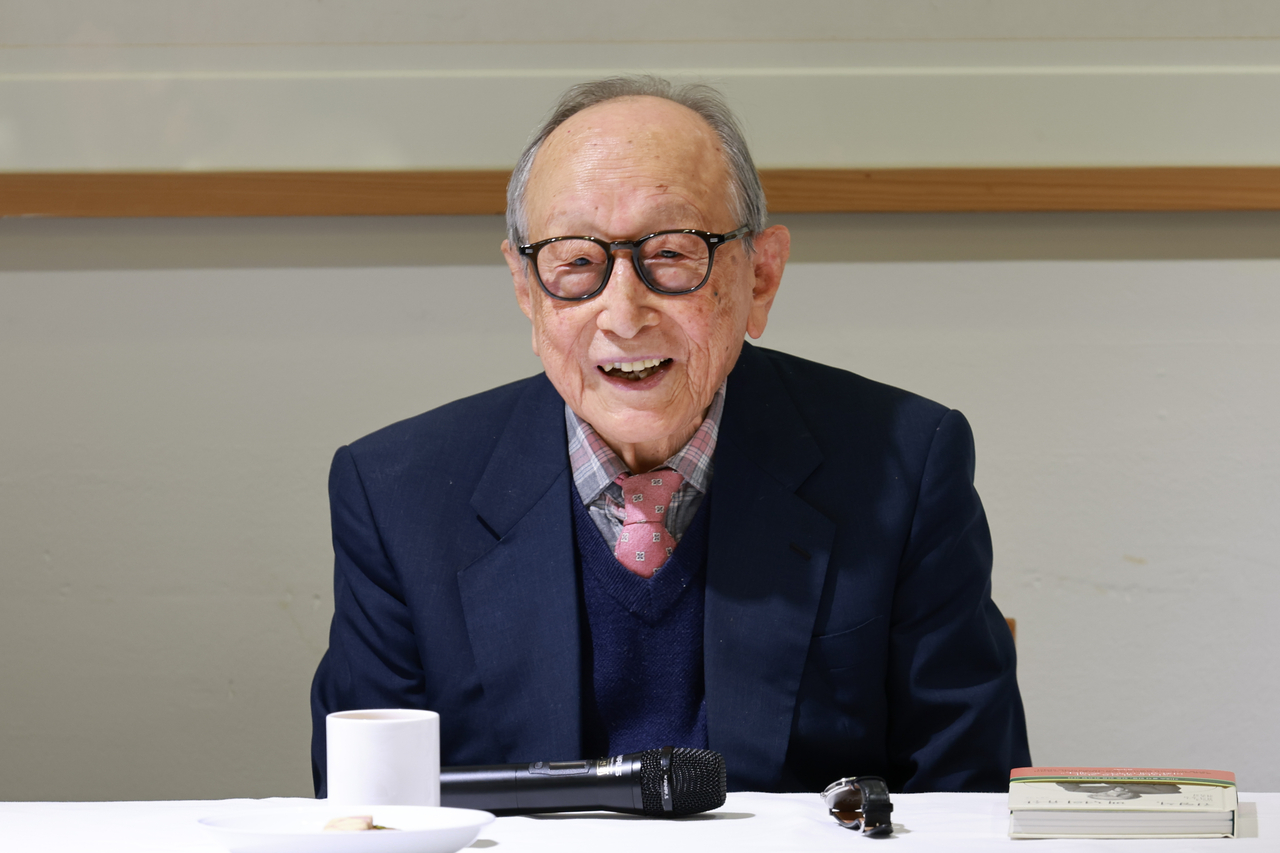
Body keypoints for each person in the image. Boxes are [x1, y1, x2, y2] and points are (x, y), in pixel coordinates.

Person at [310, 75, 1030, 796]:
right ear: (527, 293)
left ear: (762, 277)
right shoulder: (397, 497)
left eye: (673, 253)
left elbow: (967, 798)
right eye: (575, 262)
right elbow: (372, 811)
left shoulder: (904, 467)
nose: (623, 313)